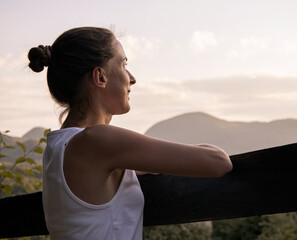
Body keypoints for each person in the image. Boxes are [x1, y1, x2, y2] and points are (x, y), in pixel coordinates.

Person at [28, 26, 232, 240]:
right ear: (100, 76)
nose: (132, 78)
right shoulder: (98, 140)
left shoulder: (57, 147)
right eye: (124, 65)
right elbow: (218, 161)